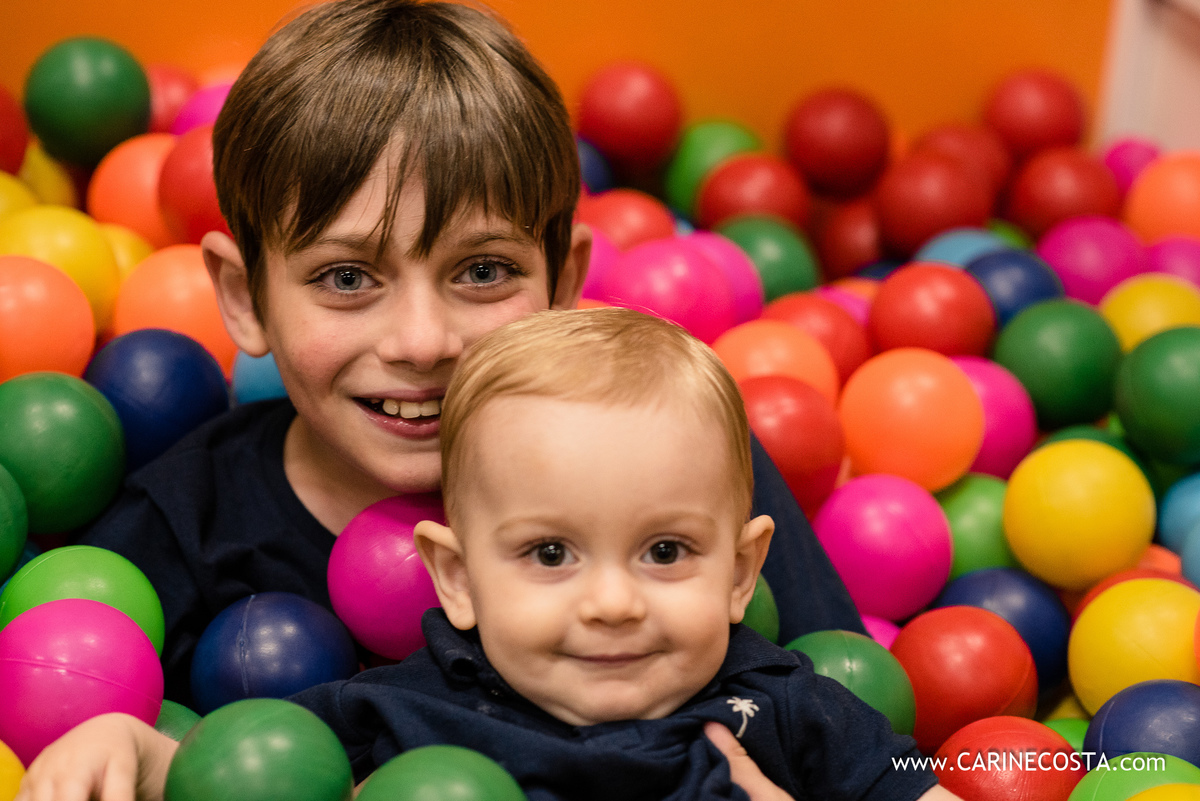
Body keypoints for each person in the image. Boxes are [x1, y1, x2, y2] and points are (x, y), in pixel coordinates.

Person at [73, 0, 862, 708]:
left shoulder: (683, 460)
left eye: (483, 271)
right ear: (246, 299)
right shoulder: (178, 535)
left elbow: (868, 723)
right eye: (346, 277)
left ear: (564, 282)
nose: (422, 343)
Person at [21, 309, 957, 801]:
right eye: (551, 553)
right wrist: (129, 746)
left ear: (744, 572)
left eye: (665, 551)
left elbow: (928, 783)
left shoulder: (784, 704)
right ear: (457, 579)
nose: (613, 602)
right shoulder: (401, 708)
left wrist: (1103, 772)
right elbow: (239, 766)